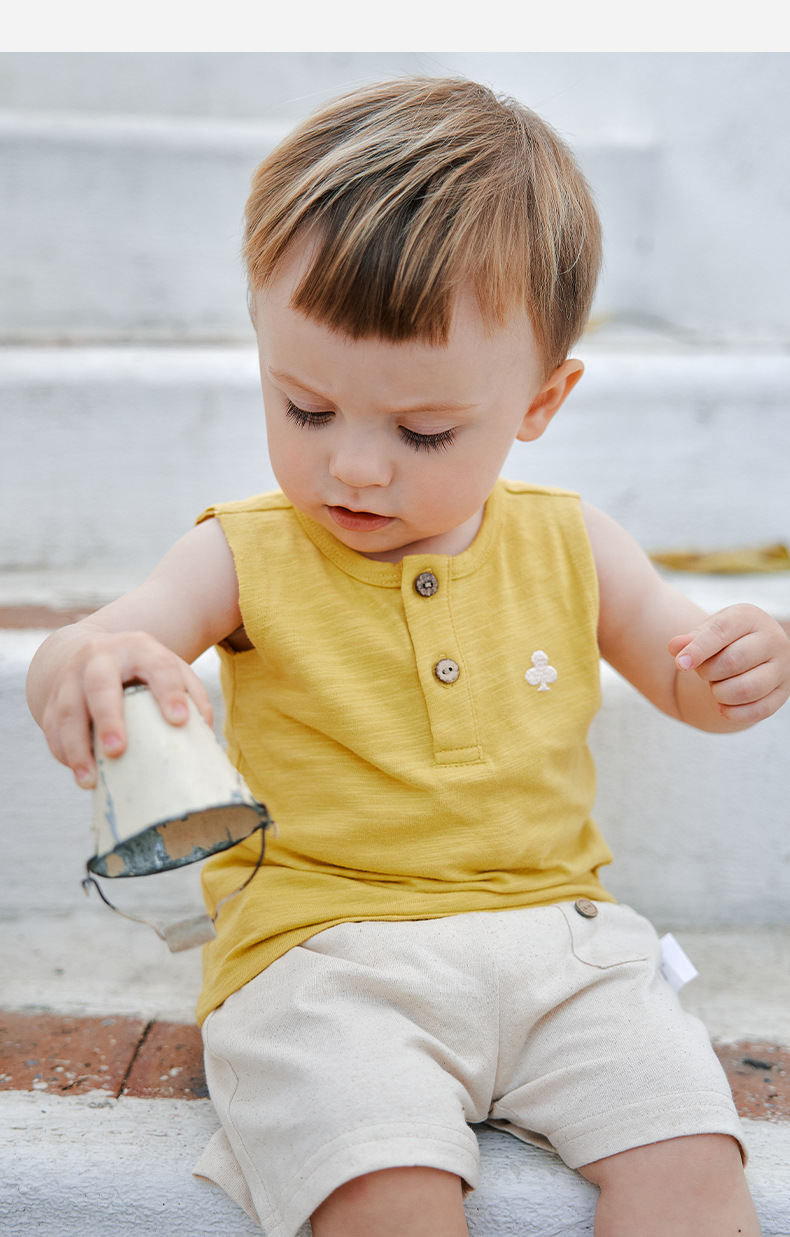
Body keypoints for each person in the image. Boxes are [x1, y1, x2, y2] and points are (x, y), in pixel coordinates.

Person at [26, 76, 789, 1237]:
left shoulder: (573, 543)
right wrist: (88, 665)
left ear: (540, 400)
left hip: (567, 948)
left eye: (422, 431)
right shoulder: (244, 553)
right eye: (305, 409)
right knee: (381, 1190)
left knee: (691, 1163)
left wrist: (744, 664)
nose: (355, 467)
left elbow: (691, 680)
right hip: (322, 960)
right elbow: (95, 640)